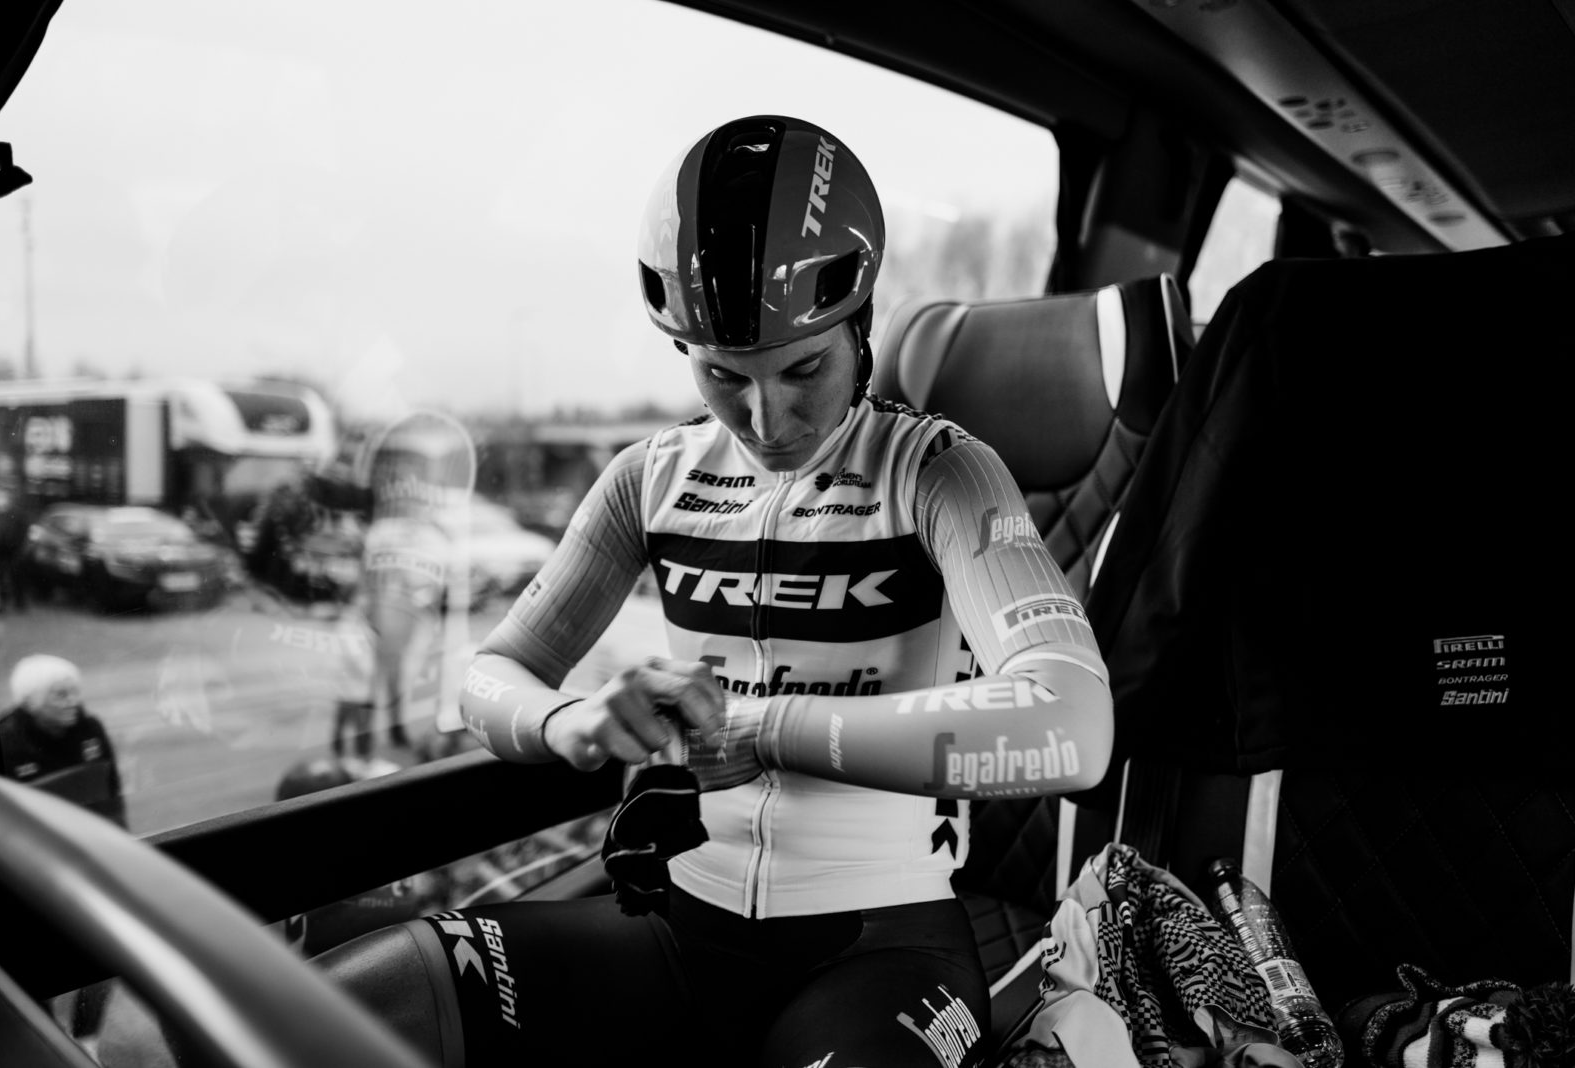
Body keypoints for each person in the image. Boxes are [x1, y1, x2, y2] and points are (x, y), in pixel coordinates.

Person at [314, 114, 1113, 1068]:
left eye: (804, 368)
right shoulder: (647, 478)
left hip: (883, 949)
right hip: (677, 927)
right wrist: (572, 722)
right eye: (724, 375)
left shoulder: (939, 472)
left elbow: (1073, 726)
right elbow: (489, 677)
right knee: (351, 1004)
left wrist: (764, 728)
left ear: (859, 324)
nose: (766, 418)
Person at [0, 654, 127, 1055]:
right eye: (60, 694)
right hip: (31, 870)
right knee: (38, 963)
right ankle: (46, 1038)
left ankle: (87, 1042)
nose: (74, 701)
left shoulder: (90, 728)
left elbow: (112, 794)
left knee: (103, 954)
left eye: (75, 691)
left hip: (90, 859)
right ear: (31, 701)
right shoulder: (4, 743)